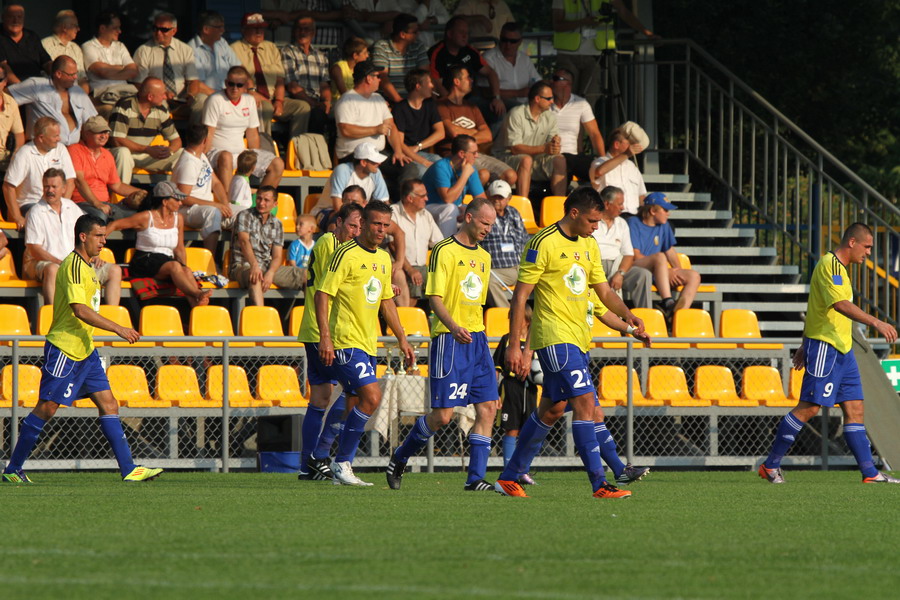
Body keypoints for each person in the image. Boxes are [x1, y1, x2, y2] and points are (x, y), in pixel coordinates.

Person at [494, 186, 644, 499]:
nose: (596, 226)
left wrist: (629, 317)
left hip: (578, 339)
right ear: (573, 213)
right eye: (592, 220)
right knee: (586, 405)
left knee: (551, 410)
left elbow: (603, 292)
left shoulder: (589, 245)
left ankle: (509, 477)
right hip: (554, 336)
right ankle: (600, 484)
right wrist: (515, 345)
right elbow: (521, 295)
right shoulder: (542, 242)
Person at [0, 213, 163, 485]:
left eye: (104, 235)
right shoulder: (73, 266)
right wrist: (118, 328)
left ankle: (129, 469)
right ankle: (13, 469)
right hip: (65, 349)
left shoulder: (87, 266)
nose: (104, 240)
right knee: (48, 407)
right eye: (98, 235)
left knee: (109, 403)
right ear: (83, 237)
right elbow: (80, 310)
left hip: (85, 352)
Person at [759, 222, 899, 485]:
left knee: (855, 409)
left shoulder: (842, 271)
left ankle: (870, 474)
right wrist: (876, 322)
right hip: (826, 346)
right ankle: (770, 465)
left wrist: (803, 343)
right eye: (867, 246)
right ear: (852, 242)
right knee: (810, 408)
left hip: (843, 349)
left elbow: (816, 308)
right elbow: (839, 305)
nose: (868, 253)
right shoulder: (830, 265)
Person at [386, 198, 499, 491]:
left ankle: (475, 478)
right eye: (485, 223)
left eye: (492, 224)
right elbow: (434, 297)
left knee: (488, 408)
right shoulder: (444, 250)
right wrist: (453, 326)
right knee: (443, 417)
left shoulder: (484, 258)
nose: (489, 228)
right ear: (469, 218)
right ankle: (401, 455)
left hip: (478, 339)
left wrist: (475, 332)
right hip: (450, 340)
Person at [315, 200, 415, 486]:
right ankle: (342, 463)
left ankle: (327, 459)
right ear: (364, 223)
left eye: (386, 225)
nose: (382, 230)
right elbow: (323, 294)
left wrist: (402, 338)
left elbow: (386, 301)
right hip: (345, 341)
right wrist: (325, 336)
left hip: (367, 342)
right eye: (376, 224)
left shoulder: (384, 258)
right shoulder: (344, 254)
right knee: (372, 397)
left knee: (354, 401)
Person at [296, 202, 364, 480]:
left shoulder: (342, 247)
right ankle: (319, 455)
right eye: (352, 225)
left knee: (323, 397)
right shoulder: (328, 242)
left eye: (360, 227)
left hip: (321, 330)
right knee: (358, 390)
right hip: (321, 331)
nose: (356, 232)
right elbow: (332, 287)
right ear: (338, 223)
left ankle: (309, 465)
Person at [24, 167, 122, 306]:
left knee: (114, 270)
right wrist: (60, 262)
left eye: (54, 186)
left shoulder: (72, 207)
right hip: (45, 263)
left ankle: (111, 318)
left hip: (75, 263)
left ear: (64, 188)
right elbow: (34, 249)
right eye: (47, 186)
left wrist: (93, 255)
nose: (50, 190)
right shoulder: (36, 212)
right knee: (53, 270)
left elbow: (88, 234)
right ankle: (51, 315)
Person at [105, 181, 212, 308]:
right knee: (174, 266)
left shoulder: (178, 219)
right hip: (145, 259)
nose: (180, 203)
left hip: (166, 261)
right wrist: (99, 243)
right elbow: (114, 225)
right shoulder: (146, 217)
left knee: (186, 271)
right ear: (165, 202)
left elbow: (179, 249)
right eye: (177, 200)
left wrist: (184, 269)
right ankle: (197, 293)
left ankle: (198, 311)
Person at [552, 0, 656, 109]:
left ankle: (583, 125)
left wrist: (647, 33)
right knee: (563, 98)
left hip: (596, 55)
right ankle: (564, 125)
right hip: (568, 54)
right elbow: (557, 25)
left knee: (588, 101)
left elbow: (624, 12)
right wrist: (583, 22)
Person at [203, 66, 285, 194]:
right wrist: (204, 161)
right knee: (226, 156)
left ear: (246, 86)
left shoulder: (249, 100)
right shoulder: (215, 100)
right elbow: (208, 133)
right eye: (231, 84)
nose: (235, 88)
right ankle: (230, 203)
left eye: (239, 85)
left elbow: (252, 134)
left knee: (277, 163)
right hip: (217, 154)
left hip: (241, 153)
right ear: (225, 83)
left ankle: (260, 200)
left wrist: (254, 159)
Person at [231, 12, 311, 143]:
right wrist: (267, 101)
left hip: (274, 98)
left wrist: (279, 101)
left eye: (261, 28)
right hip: (251, 98)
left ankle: (295, 152)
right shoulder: (234, 49)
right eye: (254, 28)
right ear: (243, 30)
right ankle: (266, 153)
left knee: (303, 107)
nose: (259, 32)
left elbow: (280, 79)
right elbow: (243, 84)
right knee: (266, 108)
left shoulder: (271, 47)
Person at [435, 66, 516, 188]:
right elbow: (453, 132)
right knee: (482, 175)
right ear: (456, 82)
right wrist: (475, 131)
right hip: (455, 155)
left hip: (476, 154)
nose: (472, 80)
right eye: (468, 78)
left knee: (511, 175)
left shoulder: (472, 107)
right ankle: (469, 204)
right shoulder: (441, 105)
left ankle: (491, 204)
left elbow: (488, 135)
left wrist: (464, 137)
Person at [230, 185, 306, 306]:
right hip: (243, 266)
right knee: (255, 277)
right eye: (259, 199)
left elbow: (277, 256)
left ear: (275, 204)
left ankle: (313, 319)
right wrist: (254, 265)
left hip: (266, 266)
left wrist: (271, 272)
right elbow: (244, 241)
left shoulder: (277, 224)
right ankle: (261, 320)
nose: (261, 203)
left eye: (266, 200)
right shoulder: (244, 215)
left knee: (307, 275)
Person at [629, 193, 700, 316]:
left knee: (694, 276)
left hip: (659, 271)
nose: (668, 213)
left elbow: (670, 251)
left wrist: (676, 272)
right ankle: (667, 302)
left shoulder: (664, 225)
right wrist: (661, 268)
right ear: (652, 211)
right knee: (659, 257)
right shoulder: (633, 223)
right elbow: (635, 255)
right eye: (665, 210)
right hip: (637, 268)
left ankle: (677, 315)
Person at [494, 80, 567, 199]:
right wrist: (545, 148)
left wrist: (555, 145)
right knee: (526, 160)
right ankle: (524, 206)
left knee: (560, 160)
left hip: (535, 159)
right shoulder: (516, 114)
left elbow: (552, 142)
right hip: (505, 159)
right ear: (537, 99)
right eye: (548, 98)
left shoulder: (550, 117)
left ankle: (559, 206)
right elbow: (515, 149)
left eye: (552, 98)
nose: (552, 101)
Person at [68, 115, 146, 223]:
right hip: (82, 203)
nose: (104, 136)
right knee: (99, 215)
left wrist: (144, 193)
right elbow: (79, 180)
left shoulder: (107, 155)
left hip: (105, 205)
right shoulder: (74, 150)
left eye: (106, 132)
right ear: (86, 133)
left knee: (142, 215)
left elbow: (117, 185)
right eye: (99, 132)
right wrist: (96, 203)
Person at [428, 16, 505, 124]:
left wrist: (497, 98)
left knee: (499, 112)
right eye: (461, 32)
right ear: (450, 34)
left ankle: (485, 138)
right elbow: (436, 83)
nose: (465, 36)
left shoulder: (470, 51)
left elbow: (490, 73)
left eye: (467, 33)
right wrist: (453, 104)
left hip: (472, 99)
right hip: (446, 102)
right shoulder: (437, 52)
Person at [3, 116, 75, 230]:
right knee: (46, 218)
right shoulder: (24, 153)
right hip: (30, 204)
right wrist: (17, 217)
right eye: (55, 136)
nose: (59, 139)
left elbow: (70, 182)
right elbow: (8, 187)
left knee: (85, 220)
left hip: (57, 204)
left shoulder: (61, 149)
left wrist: (63, 206)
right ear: (41, 138)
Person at [494, 304, 539, 484]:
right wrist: (494, 393)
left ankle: (523, 470)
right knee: (511, 429)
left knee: (529, 431)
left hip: (530, 390)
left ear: (527, 321)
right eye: (511, 318)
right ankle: (509, 471)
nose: (514, 322)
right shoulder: (506, 340)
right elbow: (495, 368)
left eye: (517, 318)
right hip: (510, 388)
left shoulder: (535, 342)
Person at [108, 78, 183, 185]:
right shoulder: (124, 106)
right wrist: (147, 149)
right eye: (162, 94)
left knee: (183, 155)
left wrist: (169, 151)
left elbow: (176, 140)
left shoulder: (161, 110)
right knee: (123, 152)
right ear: (150, 97)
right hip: (124, 154)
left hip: (146, 154)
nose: (165, 97)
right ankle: (121, 198)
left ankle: (178, 196)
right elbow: (116, 140)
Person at [333, 60, 408, 164]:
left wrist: (398, 151)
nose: (380, 80)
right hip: (355, 155)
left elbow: (391, 126)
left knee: (409, 168)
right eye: (378, 77)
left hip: (378, 153)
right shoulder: (346, 100)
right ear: (369, 79)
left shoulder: (378, 98)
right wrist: (376, 129)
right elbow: (346, 130)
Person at [171, 124, 230, 255]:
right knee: (212, 213)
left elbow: (216, 183)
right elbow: (183, 197)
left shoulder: (201, 156)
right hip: (187, 211)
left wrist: (226, 204)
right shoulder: (188, 163)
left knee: (243, 213)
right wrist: (215, 205)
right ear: (205, 140)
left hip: (205, 207)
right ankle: (210, 262)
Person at [10, 56, 97, 145]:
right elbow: (7, 96)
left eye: (76, 73)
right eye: (71, 75)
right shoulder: (36, 85)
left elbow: (93, 120)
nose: (75, 77)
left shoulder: (78, 91)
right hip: (41, 148)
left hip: (71, 149)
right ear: (58, 74)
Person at [593, 185, 652, 308]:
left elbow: (628, 254)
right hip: (595, 265)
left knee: (643, 275)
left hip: (617, 266)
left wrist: (620, 273)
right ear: (607, 204)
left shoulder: (622, 223)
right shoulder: (592, 220)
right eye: (619, 204)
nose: (623, 208)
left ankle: (646, 317)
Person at [132, 13, 200, 118]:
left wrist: (190, 96)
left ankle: (197, 134)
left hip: (182, 101)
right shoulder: (143, 51)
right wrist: (161, 93)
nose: (158, 33)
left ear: (174, 31)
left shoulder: (185, 49)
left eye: (163, 30)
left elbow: (193, 80)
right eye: (155, 28)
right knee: (160, 103)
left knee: (202, 101)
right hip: (157, 98)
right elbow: (138, 84)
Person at [390, 178, 443, 307]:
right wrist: (410, 270)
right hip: (401, 266)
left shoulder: (426, 215)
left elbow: (439, 244)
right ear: (410, 198)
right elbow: (392, 245)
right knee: (415, 281)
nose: (427, 198)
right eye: (423, 195)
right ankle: (408, 322)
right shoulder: (393, 212)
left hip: (422, 267)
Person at [422, 134, 487, 237]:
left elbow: (482, 199)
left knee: (481, 210)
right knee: (450, 208)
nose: (477, 156)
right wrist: (465, 175)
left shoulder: (471, 168)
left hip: (455, 207)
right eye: (474, 153)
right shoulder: (441, 167)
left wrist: (470, 210)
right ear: (462, 153)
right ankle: (449, 248)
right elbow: (448, 199)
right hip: (428, 208)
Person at [550, 67, 605, 182]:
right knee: (563, 164)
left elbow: (594, 134)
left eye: (557, 79)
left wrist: (603, 159)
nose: (552, 81)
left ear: (568, 84)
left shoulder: (581, 103)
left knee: (600, 171)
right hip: (549, 154)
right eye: (553, 78)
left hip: (573, 155)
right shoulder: (545, 103)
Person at [480, 179, 528, 307]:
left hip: (520, 266)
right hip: (498, 270)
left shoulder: (514, 213)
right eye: (494, 196)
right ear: (488, 197)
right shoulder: (483, 215)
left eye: (500, 197)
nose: (497, 200)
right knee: (489, 281)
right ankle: (507, 315)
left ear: (509, 198)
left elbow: (525, 238)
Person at [189, 11, 243, 125]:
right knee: (200, 101)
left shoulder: (222, 43)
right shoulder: (192, 49)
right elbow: (197, 84)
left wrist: (247, 89)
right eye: (219, 27)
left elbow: (238, 69)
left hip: (229, 91)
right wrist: (221, 97)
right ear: (206, 29)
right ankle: (197, 140)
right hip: (207, 93)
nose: (223, 30)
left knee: (253, 101)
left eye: (223, 27)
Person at [391, 69, 444, 181]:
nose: (432, 86)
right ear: (418, 86)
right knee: (425, 172)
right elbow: (399, 143)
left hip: (422, 152)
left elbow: (440, 133)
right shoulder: (400, 108)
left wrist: (418, 147)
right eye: (429, 82)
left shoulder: (430, 104)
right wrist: (423, 162)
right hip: (406, 155)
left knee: (444, 167)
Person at [314, 142, 391, 220]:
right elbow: (337, 207)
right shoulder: (342, 170)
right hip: (327, 211)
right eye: (374, 162)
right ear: (363, 162)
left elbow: (384, 203)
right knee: (337, 220)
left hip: (358, 215)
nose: (379, 163)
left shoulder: (376, 172)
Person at [281, 17, 332, 134]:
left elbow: (324, 85)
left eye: (306, 29)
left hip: (317, 101)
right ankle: (311, 148)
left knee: (339, 112)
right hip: (297, 99)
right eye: (299, 29)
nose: (302, 32)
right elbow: (293, 87)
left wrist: (327, 101)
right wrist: (315, 104)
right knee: (316, 114)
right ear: (294, 31)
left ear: (313, 33)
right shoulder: (288, 51)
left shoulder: (321, 56)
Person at [81, 11, 138, 114]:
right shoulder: (88, 46)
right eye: (115, 28)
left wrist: (109, 69)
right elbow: (102, 71)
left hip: (124, 92)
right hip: (101, 94)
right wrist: (122, 67)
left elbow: (133, 71)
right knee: (113, 111)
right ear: (102, 28)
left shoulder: (120, 46)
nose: (119, 31)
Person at [372, 14, 430, 104]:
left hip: (415, 101)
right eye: (415, 32)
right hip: (389, 101)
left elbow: (424, 76)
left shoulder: (418, 46)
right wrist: (400, 102)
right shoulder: (381, 46)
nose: (418, 34)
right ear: (403, 34)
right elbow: (383, 78)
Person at [482, 22, 541, 110]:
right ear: (500, 38)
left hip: (526, 104)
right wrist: (517, 93)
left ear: (520, 42)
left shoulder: (524, 59)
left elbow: (537, 81)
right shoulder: (489, 58)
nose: (508, 45)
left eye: (513, 41)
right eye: (504, 40)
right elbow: (484, 91)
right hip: (501, 105)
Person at [590, 126, 645, 216]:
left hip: (633, 217)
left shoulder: (632, 167)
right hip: (610, 216)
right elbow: (599, 172)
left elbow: (641, 196)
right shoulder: (600, 161)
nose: (631, 147)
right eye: (628, 143)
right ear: (616, 144)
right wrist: (626, 154)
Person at [0, 4, 51, 84]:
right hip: (12, 88)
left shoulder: (32, 36)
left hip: (37, 85)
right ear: (3, 18)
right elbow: (3, 67)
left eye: (19, 17)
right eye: (11, 17)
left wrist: (60, 75)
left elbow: (46, 62)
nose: (15, 21)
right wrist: (21, 88)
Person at [41, 10, 89, 93]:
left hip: (76, 95)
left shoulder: (75, 48)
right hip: (53, 93)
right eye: (75, 26)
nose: (78, 29)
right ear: (65, 28)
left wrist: (83, 97)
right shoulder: (45, 45)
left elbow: (82, 78)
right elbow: (47, 76)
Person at [0, 62, 24, 170]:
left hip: (5, 159)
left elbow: (19, 134)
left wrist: (15, 156)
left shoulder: (11, 102)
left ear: (5, 82)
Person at [330, 37, 368, 102]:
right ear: (355, 55)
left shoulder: (362, 69)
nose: (367, 56)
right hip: (340, 105)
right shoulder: (338, 68)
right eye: (365, 53)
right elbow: (345, 94)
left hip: (356, 102)